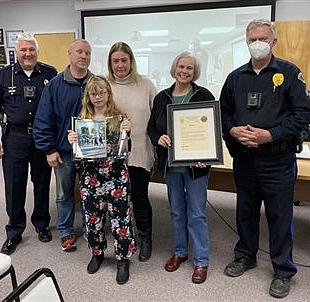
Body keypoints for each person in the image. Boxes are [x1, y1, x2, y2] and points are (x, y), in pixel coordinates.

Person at [219, 19, 310, 298]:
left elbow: (302, 115)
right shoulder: (235, 77)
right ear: (246, 43)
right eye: (252, 39)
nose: (257, 43)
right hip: (245, 159)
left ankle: (283, 270)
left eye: (262, 38)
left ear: (273, 41)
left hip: (278, 159)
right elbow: (223, 113)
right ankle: (246, 256)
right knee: (245, 212)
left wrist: (269, 135)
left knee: (279, 215)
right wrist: (233, 129)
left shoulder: (290, 73)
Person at [0, 33, 57, 255]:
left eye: (31, 49)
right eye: (23, 50)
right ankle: (14, 231)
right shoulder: (4, 75)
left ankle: (41, 224)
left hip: (42, 137)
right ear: (16, 53)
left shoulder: (50, 73)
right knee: (14, 186)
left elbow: (56, 107)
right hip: (14, 138)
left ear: (37, 51)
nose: (28, 53)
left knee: (42, 183)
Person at [147, 51, 215, 284]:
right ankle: (180, 252)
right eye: (181, 67)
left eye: (189, 68)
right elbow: (151, 128)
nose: (184, 71)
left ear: (194, 72)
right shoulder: (162, 97)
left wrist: (207, 154)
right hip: (172, 166)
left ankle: (202, 261)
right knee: (176, 211)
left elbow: (212, 130)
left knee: (196, 213)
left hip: (196, 167)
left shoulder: (203, 94)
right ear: (174, 69)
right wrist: (159, 139)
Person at [68, 75, 136, 285]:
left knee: (121, 219)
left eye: (102, 92)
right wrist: (73, 141)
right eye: (93, 93)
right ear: (88, 96)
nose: (98, 97)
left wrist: (127, 133)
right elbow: (78, 155)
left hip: (116, 177)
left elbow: (127, 150)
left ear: (108, 94)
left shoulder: (119, 118)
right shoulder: (82, 119)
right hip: (91, 178)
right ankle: (97, 253)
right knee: (92, 219)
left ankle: (122, 259)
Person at [33, 39, 93, 252]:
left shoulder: (96, 83)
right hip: (64, 153)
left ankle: (90, 229)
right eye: (79, 52)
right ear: (69, 54)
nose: (83, 56)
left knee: (90, 193)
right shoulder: (56, 85)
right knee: (63, 194)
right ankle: (66, 231)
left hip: (90, 153)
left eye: (87, 53)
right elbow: (43, 120)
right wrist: (49, 149)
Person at [107, 42, 157, 261]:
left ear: (131, 61)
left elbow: (157, 118)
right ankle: (124, 238)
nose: (120, 65)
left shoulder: (145, 84)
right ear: (110, 63)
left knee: (139, 197)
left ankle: (145, 238)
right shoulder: (103, 84)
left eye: (124, 60)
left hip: (139, 151)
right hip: (111, 154)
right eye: (115, 61)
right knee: (117, 200)